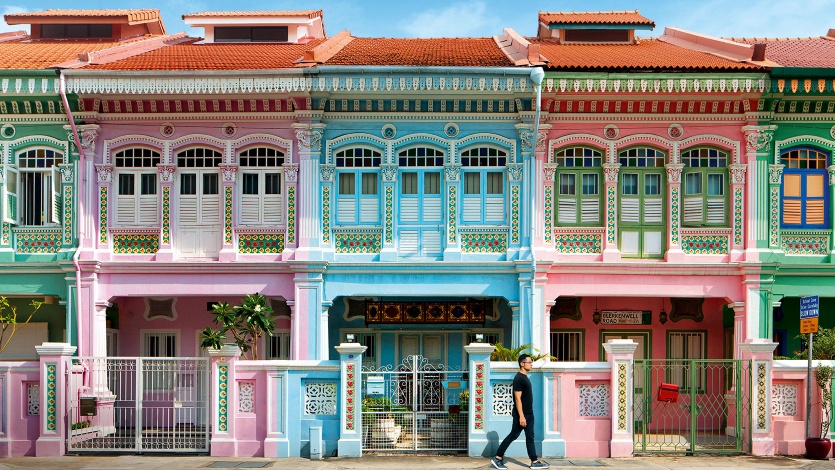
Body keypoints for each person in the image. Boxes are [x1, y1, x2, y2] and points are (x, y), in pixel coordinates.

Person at [491, 354, 550, 469]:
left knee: (530, 437)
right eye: (529, 362)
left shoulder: (524, 377)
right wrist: (522, 416)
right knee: (513, 435)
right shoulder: (518, 378)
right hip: (522, 415)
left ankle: (534, 461)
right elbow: (517, 398)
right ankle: (497, 458)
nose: (531, 364)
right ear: (522, 364)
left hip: (529, 413)